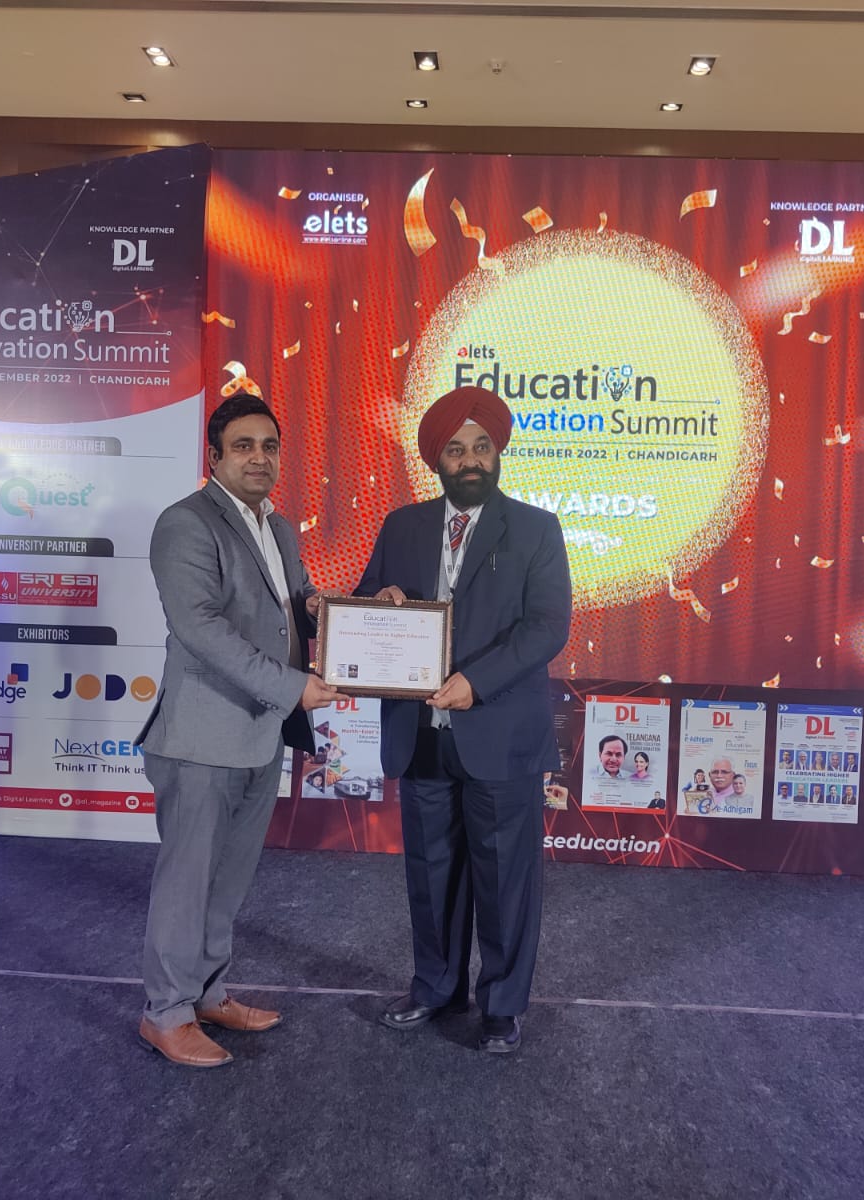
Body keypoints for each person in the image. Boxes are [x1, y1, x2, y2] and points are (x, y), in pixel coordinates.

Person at [357, 385, 571, 1055]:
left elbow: (547, 627)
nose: (470, 460)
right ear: (437, 460)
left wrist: (475, 683)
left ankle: (502, 1006)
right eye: (456, 449)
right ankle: (435, 987)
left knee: (504, 877)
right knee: (430, 872)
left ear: (497, 453)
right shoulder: (402, 525)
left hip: (499, 731)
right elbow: (364, 601)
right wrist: (382, 602)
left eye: (481, 447)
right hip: (420, 733)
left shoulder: (536, 528)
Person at [134, 393, 344, 1069]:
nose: (260, 458)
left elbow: (293, 605)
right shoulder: (186, 523)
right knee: (187, 881)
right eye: (244, 446)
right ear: (214, 457)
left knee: (227, 880)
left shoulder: (277, 526)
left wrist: (336, 612)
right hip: (202, 737)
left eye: (269, 446)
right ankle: (166, 1013)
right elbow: (200, 627)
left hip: (259, 734)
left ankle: (206, 993)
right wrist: (291, 687)